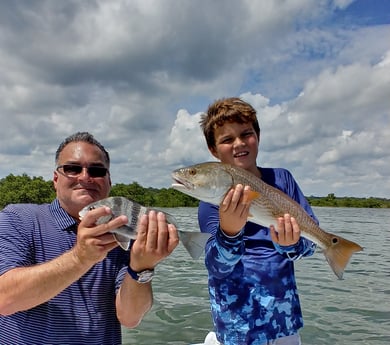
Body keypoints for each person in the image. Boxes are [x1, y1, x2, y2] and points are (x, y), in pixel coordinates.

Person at [0, 132, 179, 345]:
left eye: (96, 170)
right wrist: (80, 258)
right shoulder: (18, 218)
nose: (85, 177)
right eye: (72, 168)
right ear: (55, 179)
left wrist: (142, 267)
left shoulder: (121, 234)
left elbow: (130, 317)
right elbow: (5, 299)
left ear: (109, 182)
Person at [198, 98, 318, 345]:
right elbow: (216, 267)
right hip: (237, 324)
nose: (239, 144)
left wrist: (291, 245)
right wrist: (229, 233)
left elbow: (310, 244)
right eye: (227, 139)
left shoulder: (283, 180)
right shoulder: (210, 202)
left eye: (246, 134)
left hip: (284, 320)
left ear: (258, 136)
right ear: (213, 150)